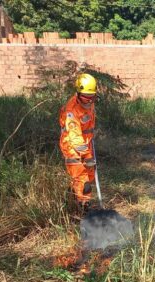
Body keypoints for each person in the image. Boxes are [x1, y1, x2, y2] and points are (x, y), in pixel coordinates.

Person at [59, 73, 97, 211]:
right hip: (72, 146)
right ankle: (83, 208)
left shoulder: (89, 104)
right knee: (82, 180)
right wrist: (87, 156)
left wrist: (89, 147)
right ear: (78, 93)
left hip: (86, 144)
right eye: (86, 97)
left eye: (92, 97)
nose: (89, 101)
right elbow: (75, 136)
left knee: (90, 175)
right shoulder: (72, 111)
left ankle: (70, 199)